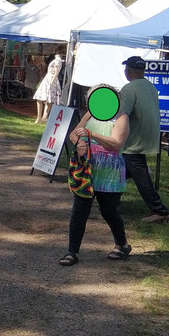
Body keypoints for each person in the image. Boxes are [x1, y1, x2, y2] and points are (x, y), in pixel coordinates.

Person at [60, 89, 132, 265]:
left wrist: (92, 135)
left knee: (109, 211)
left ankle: (122, 244)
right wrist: (81, 141)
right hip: (86, 171)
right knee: (79, 211)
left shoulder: (121, 118)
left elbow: (116, 143)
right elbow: (73, 134)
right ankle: (72, 252)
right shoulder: (90, 115)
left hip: (109, 173)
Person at [119, 56, 169, 223]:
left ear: (130, 71)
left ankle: (159, 210)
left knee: (139, 174)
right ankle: (109, 201)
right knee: (120, 171)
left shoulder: (129, 88)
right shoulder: (150, 86)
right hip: (149, 136)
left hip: (134, 140)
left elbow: (121, 114)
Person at [33, 47, 64, 124]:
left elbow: (56, 72)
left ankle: (42, 117)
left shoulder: (58, 60)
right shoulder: (58, 60)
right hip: (49, 79)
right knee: (44, 99)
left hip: (50, 79)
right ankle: (42, 117)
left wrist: (52, 82)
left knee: (45, 99)